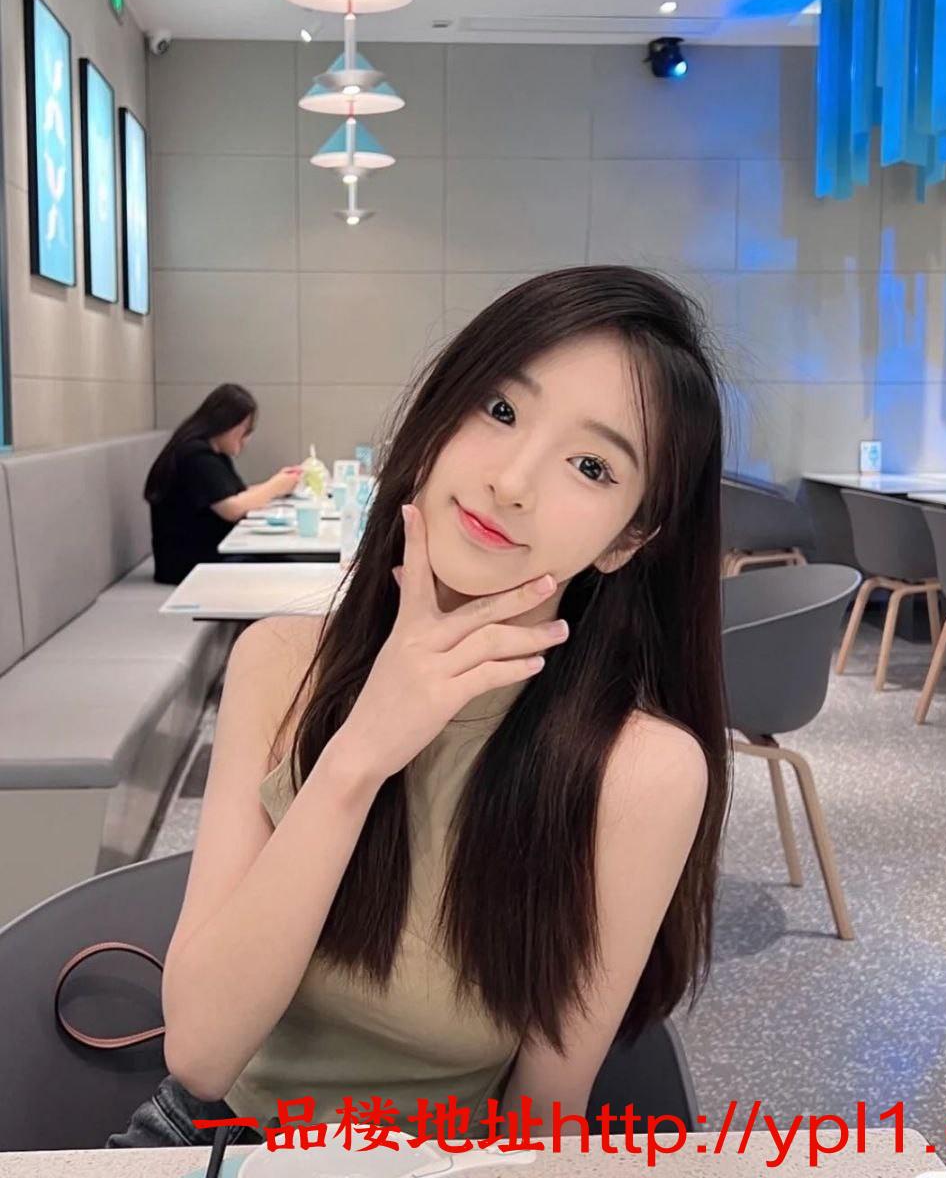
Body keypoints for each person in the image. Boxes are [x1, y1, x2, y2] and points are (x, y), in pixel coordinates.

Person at [109, 266, 732, 1149]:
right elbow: (203, 1056)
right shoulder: (282, 665)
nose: (512, 480)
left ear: (628, 539)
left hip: (447, 1162)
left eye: (592, 466)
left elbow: (542, 1119)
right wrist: (360, 754)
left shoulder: (639, 771)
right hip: (225, 1142)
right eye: (500, 409)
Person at [144, 384, 302, 585]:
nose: (246, 439)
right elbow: (232, 508)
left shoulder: (211, 453)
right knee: (287, 571)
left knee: (285, 564)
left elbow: (237, 494)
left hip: (206, 554)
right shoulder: (195, 456)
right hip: (188, 565)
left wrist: (281, 485)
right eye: (245, 431)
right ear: (226, 423)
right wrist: (275, 486)